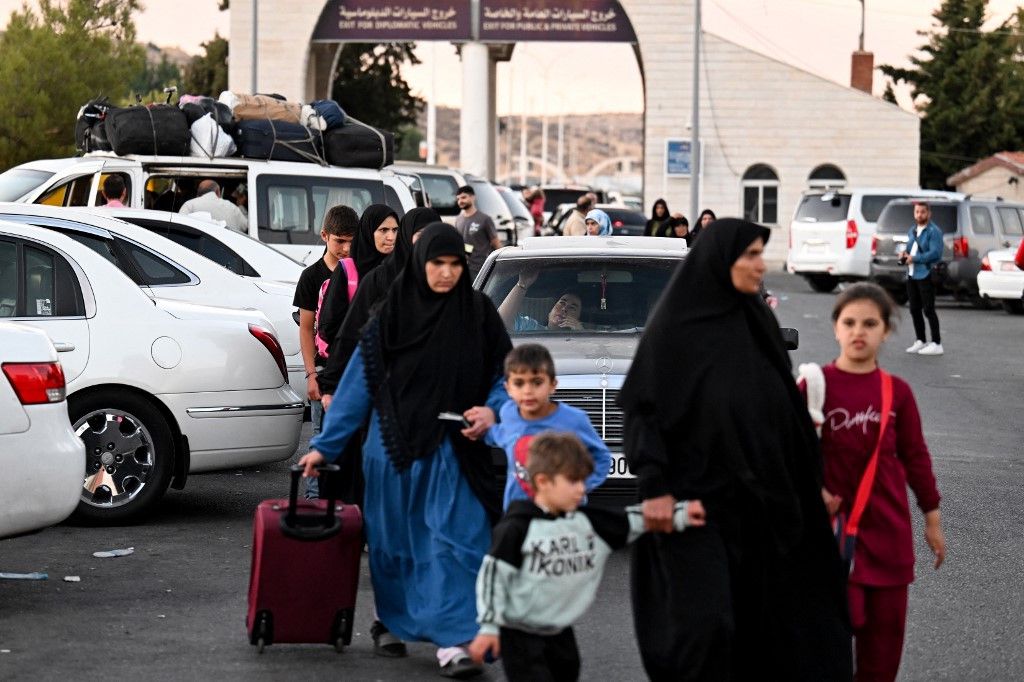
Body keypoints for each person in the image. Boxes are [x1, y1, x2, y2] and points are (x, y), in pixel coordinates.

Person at [618, 218, 853, 680]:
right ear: (720, 260)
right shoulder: (675, 328)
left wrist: (812, 484)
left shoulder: (757, 320)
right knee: (706, 627)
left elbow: (783, 409)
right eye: (750, 255)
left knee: (771, 624)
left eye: (760, 254)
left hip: (761, 503)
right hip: (694, 502)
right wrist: (654, 488)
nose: (760, 265)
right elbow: (643, 410)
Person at [299, 223, 513, 679]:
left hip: (455, 451)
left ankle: (455, 641)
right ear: (420, 264)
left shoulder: (477, 314)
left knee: (457, 542)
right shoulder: (391, 316)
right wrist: (325, 446)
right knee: (396, 546)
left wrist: (492, 412)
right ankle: (391, 620)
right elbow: (358, 386)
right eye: (437, 263)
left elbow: (503, 376)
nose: (446, 273)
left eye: (455, 265)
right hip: (392, 450)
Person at [467, 432, 706, 681]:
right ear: (543, 481)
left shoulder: (584, 522)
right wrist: (489, 627)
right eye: (573, 481)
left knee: (567, 671)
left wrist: (682, 513)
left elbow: (630, 520)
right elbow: (494, 578)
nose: (582, 489)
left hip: (560, 630)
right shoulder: (516, 529)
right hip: (521, 633)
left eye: (583, 480)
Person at [801, 282, 944, 682]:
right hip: (828, 544)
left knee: (881, 659)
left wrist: (932, 519)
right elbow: (781, 453)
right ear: (835, 328)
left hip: (888, 539)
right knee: (824, 657)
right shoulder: (814, 387)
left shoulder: (897, 393)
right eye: (849, 322)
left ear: (886, 331)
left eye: (869, 323)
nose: (858, 331)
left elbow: (916, 457)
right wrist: (814, 491)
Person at [319, 207, 441, 409]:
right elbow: (341, 331)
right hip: (363, 377)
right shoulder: (374, 278)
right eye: (383, 230)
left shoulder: (438, 279)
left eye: (395, 230)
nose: (390, 237)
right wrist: (330, 383)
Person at [482, 343, 611, 509]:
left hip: (563, 513)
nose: (528, 390)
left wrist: (579, 486)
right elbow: (502, 435)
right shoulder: (508, 413)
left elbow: (602, 457)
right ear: (508, 388)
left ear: (552, 385)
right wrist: (483, 430)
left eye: (537, 382)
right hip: (519, 512)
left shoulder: (573, 420)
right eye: (519, 383)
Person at [291, 205, 359, 495]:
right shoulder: (311, 276)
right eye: (339, 241)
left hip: (354, 370)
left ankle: (344, 498)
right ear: (324, 236)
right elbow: (307, 328)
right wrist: (310, 374)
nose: (345, 248)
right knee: (320, 434)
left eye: (351, 241)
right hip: (322, 369)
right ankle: (315, 499)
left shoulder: (360, 272)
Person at [901, 201, 944, 356]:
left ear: (929, 214)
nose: (919, 215)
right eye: (917, 212)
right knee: (914, 309)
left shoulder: (934, 231)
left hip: (925, 273)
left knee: (929, 309)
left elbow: (935, 253)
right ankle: (920, 340)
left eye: (922, 212)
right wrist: (904, 255)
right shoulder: (912, 230)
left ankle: (937, 343)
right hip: (912, 274)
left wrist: (915, 258)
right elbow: (909, 249)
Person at [496, 270, 583, 332]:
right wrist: (523, 284)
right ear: (550, 312)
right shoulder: (531, 327)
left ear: (578, 318)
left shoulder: (588, 338)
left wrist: (581, 333)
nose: (564, 309)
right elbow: (500, 323)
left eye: (572, 308)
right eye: (562, 303)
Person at [455, 185, 501, 280]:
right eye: (458, 199)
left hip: (482, 268)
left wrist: (500, 265)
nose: (460, 201)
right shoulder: (458, 220)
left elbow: (496, 243)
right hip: (464, 268)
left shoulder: (485, 219)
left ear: (473, 197)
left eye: (464, 197)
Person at [178, 179, 249, 233]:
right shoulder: (232, 207)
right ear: (218, 191)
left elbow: (179, 227)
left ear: (198, 193)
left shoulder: (189, 205)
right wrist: (241, 206)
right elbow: (246, 226)